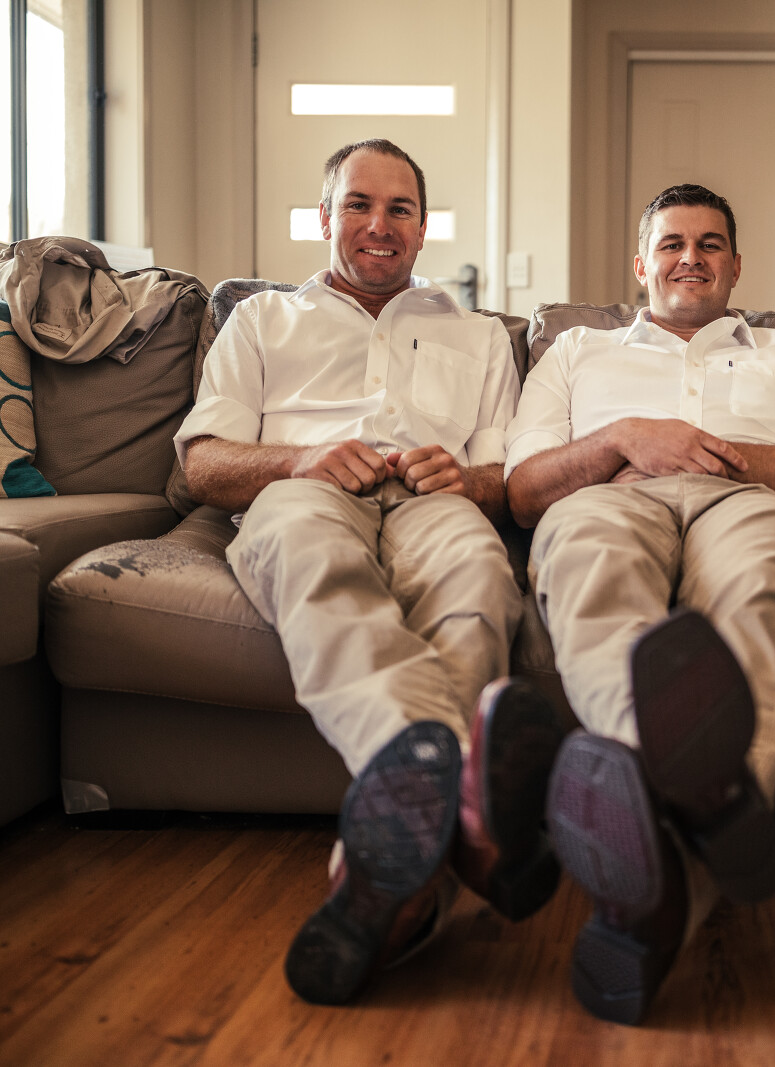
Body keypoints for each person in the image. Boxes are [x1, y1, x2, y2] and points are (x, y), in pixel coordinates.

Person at [175, 139, 565, 1006]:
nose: (379, 224)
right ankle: (464, 821)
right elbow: (202, 464)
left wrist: (465, 479)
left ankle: (394, 864)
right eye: (359, 204)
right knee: (317, 563)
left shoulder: (481, 335)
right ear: (325, 217)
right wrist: (299, 458)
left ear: (423, 229)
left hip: (433, 502)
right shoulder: (260, 320)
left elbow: (505, 477)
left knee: (479, 575)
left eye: (399, 209)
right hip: (303, 490)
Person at [503, 184, 775, 1024]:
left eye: (710, 245)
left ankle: (656, 868)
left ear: (736, 266)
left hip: (750, 503)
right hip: (607, 500)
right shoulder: (575, 352)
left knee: (758, 598)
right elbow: (525, 490)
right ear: (641, 265)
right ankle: (714, 807)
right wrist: (622, 437)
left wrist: (707, 452)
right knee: (595, 582)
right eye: (672, 243)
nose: (691, 258)